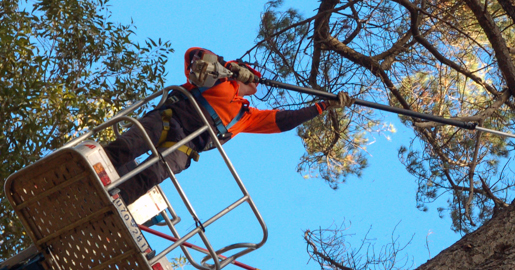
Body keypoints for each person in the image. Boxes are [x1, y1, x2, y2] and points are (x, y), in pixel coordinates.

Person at [103, 47, 350, 205]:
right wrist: (229, 68)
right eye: (252, 74)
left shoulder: (246, 116)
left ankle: (116, 203)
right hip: (168, 120)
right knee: (128, 146)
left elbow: (283, 121)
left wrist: (322, 107)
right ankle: (97, 167)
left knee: (150, 176)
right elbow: (195, 56)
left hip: (186, 147)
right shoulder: (216, 78)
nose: (255, 81)